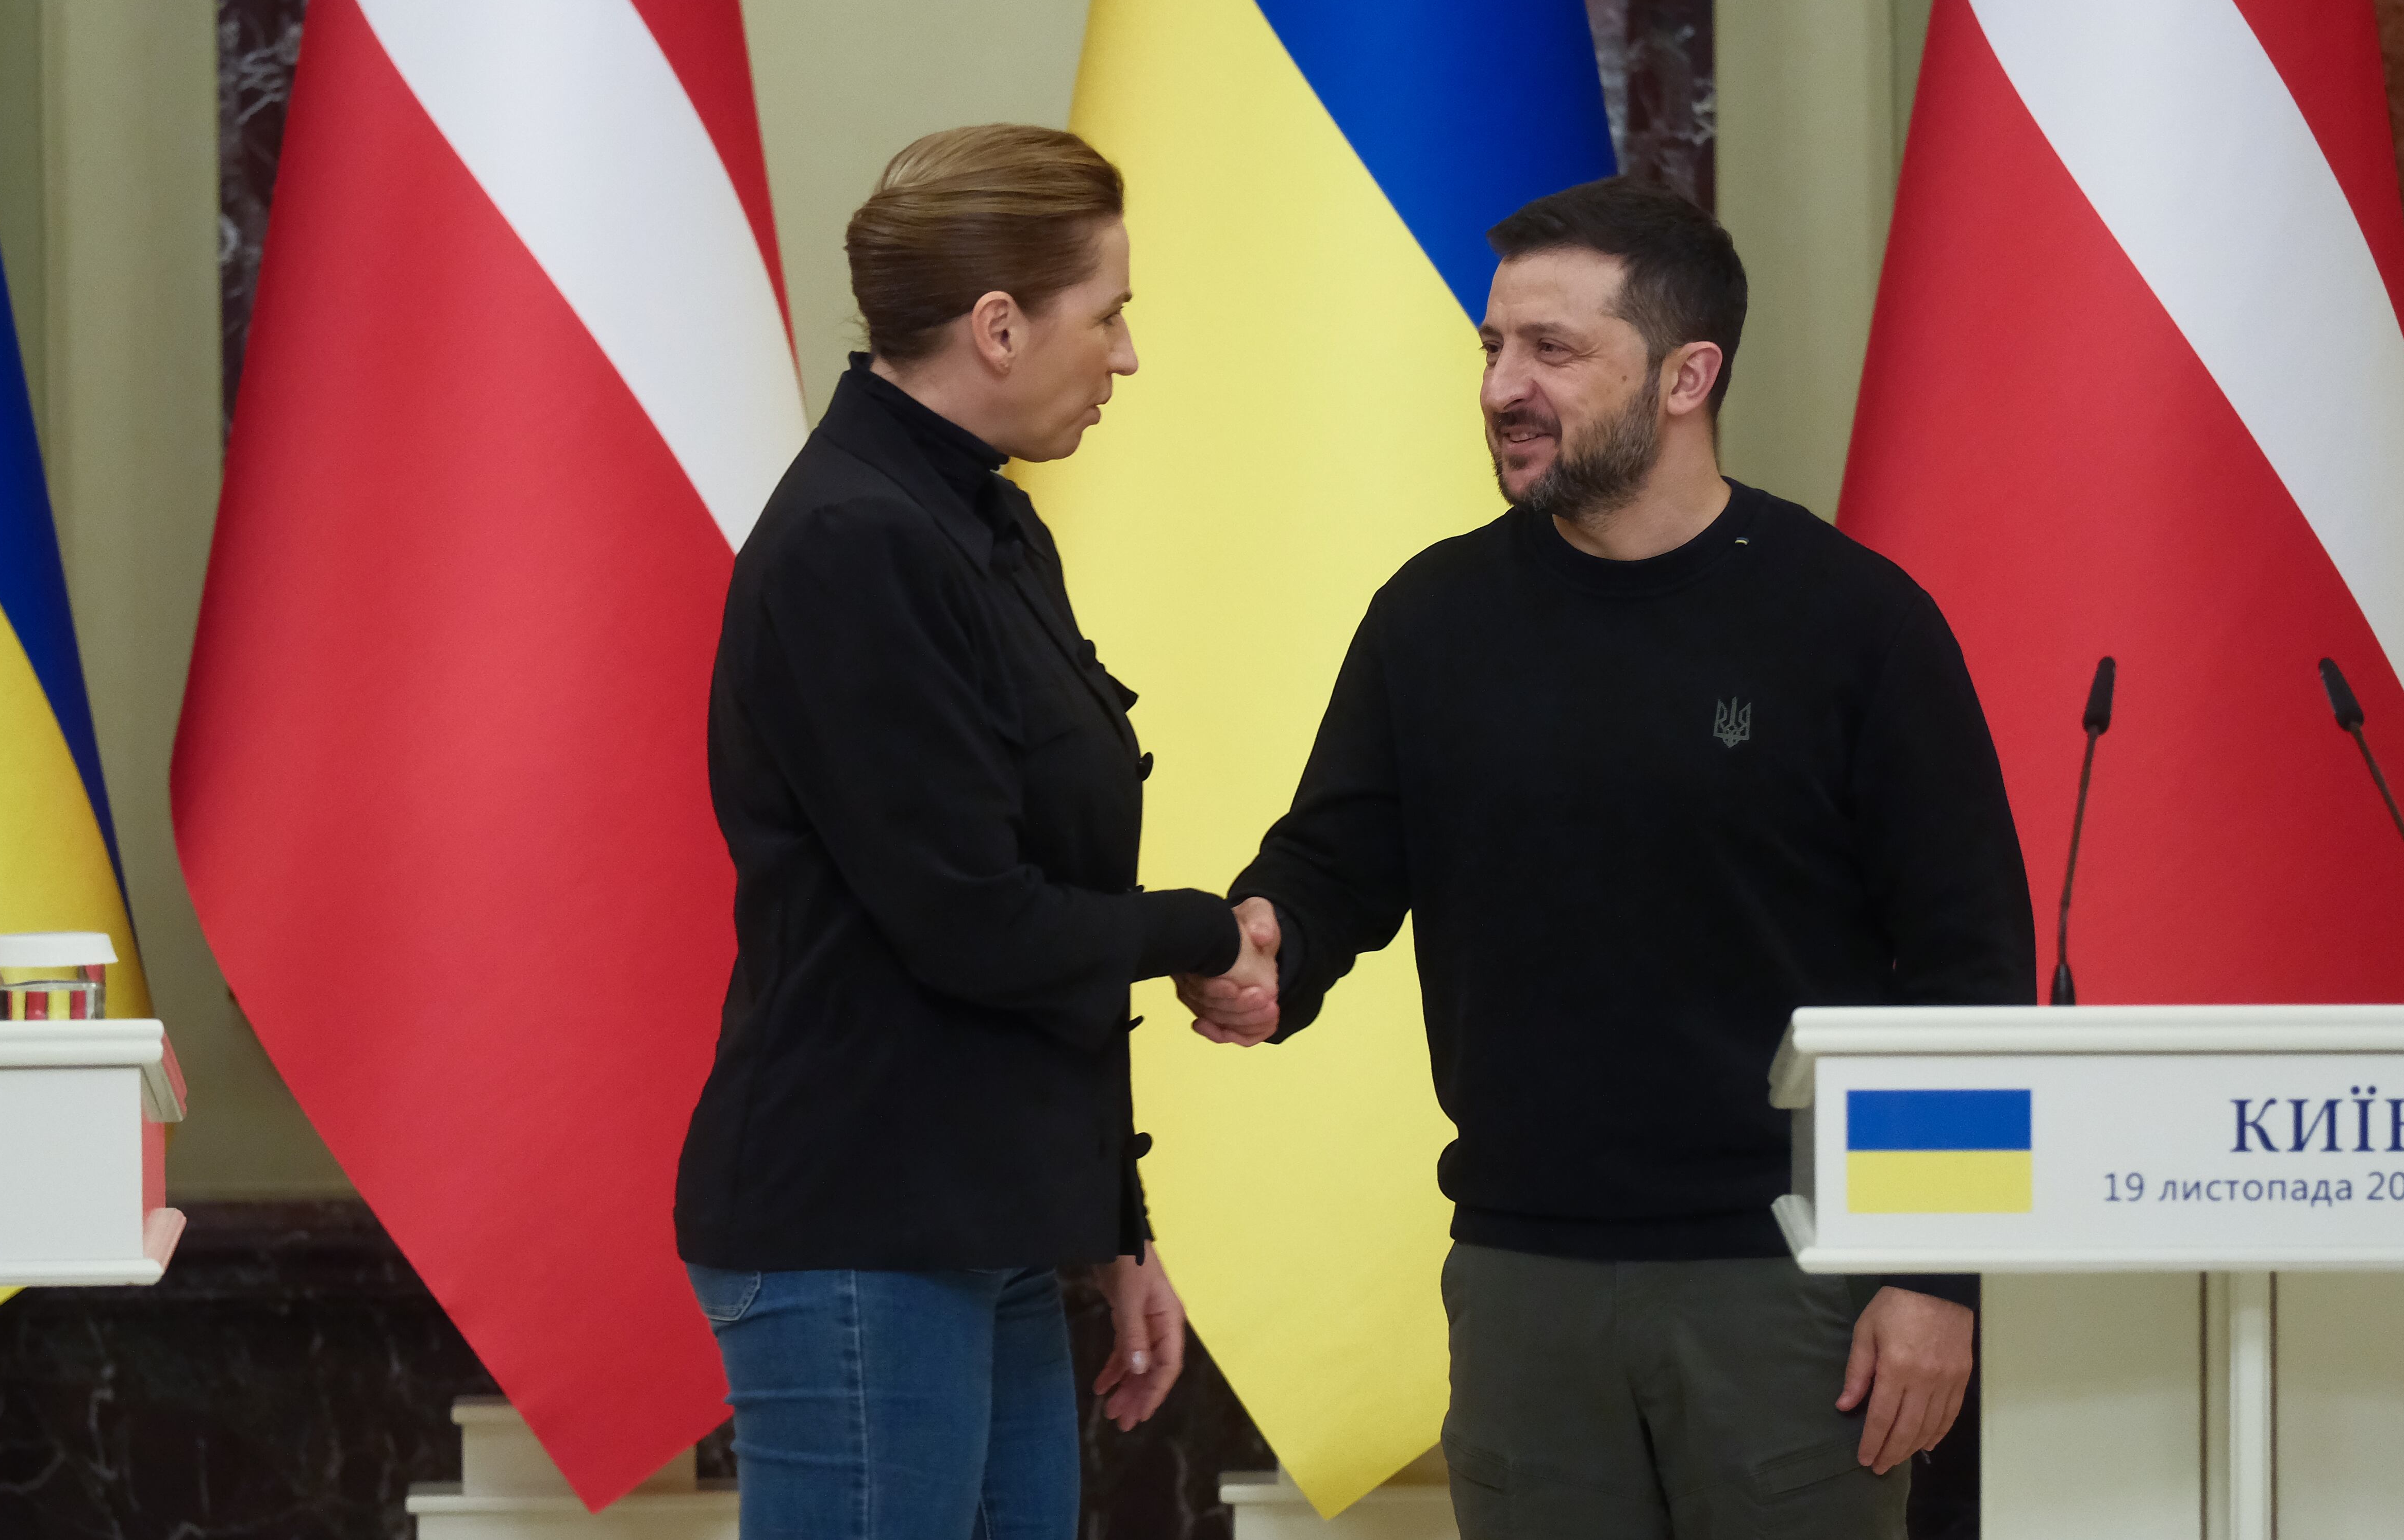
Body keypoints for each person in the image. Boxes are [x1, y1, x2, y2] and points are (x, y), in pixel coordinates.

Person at [1185, 177, 2034, 1539]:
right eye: (1494, 348)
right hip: (1523, 1282)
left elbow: (1973, 974)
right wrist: (1269, 948)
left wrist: (1941, 1277)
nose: (1503, 387)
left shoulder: (1855, 625)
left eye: (1553, 351)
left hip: (1797, 1289)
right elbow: (1334, 865)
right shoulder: (1434, 618)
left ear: (1690, 374)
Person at [675, 124, 1280, 1540]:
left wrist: (1110, 1226)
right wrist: (1205, 931)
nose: (1125, 355)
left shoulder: (983, 526)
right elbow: (974, 922)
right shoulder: (857, 543)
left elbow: (1048, 894)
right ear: (999, 327)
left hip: (984, 1218)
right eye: (1109, 312)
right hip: (863, 1232)